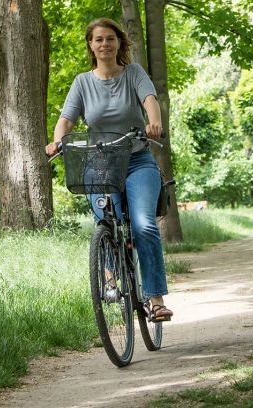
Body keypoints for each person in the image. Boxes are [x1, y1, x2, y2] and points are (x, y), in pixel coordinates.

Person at [45, 17, 173, 322]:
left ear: (119, 43)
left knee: (143, 225)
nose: (105, 44)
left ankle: (155, 299)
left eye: (110, 38)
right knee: (106, 222)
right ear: (91, 45)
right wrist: (57, 142)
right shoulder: (82, 82)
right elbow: (67, 119)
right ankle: (111, 278)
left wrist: (154, 123)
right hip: (100, 163)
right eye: (98, 39)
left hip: (138, 160)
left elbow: (150, 100)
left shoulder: (133, 73)